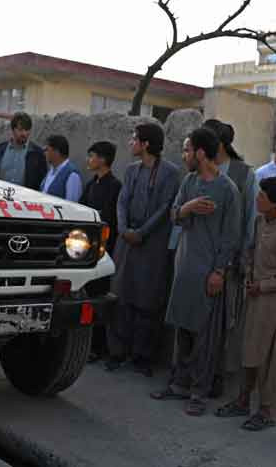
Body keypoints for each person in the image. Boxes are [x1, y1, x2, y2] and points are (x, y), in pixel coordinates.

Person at [151, 128, 241, 416]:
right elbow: (174, 215)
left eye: (188, 150)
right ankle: (178, 384)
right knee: (182, 327)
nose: (185, 155)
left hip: (208, 271)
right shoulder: (189, 181)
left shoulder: (227, 189)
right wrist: (187, 207)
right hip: (185, 265)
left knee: (205, 334)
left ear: (201, 153)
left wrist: (219, 271)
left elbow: (232, 236)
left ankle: (199, 392)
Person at [215, 177, 276, 431]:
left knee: (267, 357)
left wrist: (264, 286)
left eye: (263, 195)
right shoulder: (258, 221)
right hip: (252, 297)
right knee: (248, 351)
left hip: (272, 303)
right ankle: (243, 400)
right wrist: (248, 272)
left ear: (275, 202)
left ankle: (266, 410)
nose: (258, 198)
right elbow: (252, 253)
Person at [108, 123, 180, 376]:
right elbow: (122, 200)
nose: (131, 142)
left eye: (135, 138)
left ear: (146, 144)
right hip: (127, 242)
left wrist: (142, 233)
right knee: (121, 296)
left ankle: (142, 356)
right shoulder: (131, 171)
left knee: (147, 301)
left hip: (151, 245)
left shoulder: (170, 173)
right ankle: (117, 352)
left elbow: (164, 208)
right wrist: (124, 228)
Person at [202, 119, 256, 397]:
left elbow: (249, 220)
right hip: (200, 258)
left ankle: (219, 375)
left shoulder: (244, 174)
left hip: (229, 262)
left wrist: (242, 258)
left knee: (226, 321)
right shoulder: (200, 172)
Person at [81, 141, 123, 363]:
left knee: (99, 297)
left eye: (93, 155)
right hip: (84, 252)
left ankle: (99, 348)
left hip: (103, 251)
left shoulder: (114, 186)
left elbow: (107, 218)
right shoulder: (91, 184)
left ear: (103, 159)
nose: (89, 160)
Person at [0, 111, 48, 191]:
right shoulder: (0, 150)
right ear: (13, 130)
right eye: (20, 129)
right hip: (0, 199)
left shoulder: (37, 154)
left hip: (25, 201)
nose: (24, 133)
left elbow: (42, 183)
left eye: (27, 130)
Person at [41, 135, 82, 202]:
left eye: (47, 150)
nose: (44, 153)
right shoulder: (51, 170)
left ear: (56, 152)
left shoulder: (72, 175)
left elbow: (72, 205)